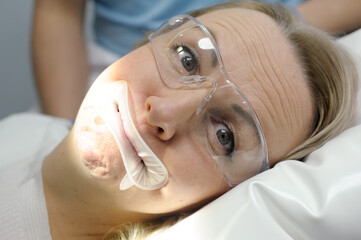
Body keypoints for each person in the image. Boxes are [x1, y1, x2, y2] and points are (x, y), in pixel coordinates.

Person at [2, 1, 358, 239]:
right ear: (146, 41)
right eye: (187, 59)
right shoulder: (28, 130)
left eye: (224, 135)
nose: (164, 113)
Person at [32, 0, 361, 120]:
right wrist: (62, 129)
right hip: (108, 68)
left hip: (299, 56)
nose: (163, 112)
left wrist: (273, 36)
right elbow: (58, 11)